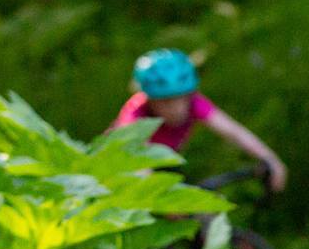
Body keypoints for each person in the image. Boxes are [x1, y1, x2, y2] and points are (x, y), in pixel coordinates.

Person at [112, 48, 289, 193]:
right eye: (166, 101)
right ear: (149, 99)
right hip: (126, 171)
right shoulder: (135, 115)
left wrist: (270, 159)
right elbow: (137, 162)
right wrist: (162, 199)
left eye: (181, 98)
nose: (177, 109)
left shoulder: (194, 103)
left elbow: (234, 132)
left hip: (166, 164)